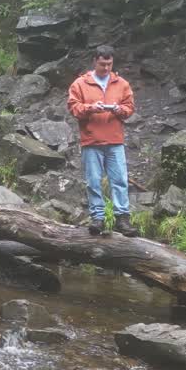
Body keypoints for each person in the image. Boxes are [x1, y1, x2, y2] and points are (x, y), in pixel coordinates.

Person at [67, 45, 137, 237]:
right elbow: (73, 108)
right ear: (94, 61)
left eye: (109, 64)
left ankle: (122, 219)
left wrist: (118, 110)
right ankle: (97, 218)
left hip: (114, 140)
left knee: (120, 180)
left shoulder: (121, 83)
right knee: (93, 182)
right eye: (102, 64)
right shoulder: (80, 84)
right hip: (91, 140)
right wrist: (90, 108)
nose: (106, 68)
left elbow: (129, 108)